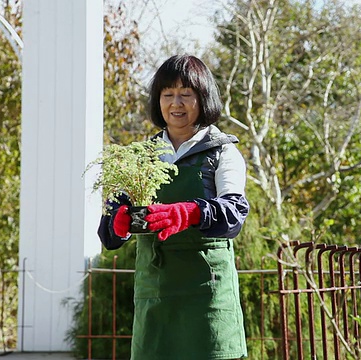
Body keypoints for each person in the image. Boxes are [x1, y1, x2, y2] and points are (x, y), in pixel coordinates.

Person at [97, 54, 250, 360]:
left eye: (186, 94)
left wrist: (190, 212)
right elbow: (108, 235)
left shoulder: (222, 152)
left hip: (207, 294)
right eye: (168, 94)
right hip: (156, 292)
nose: (176, 104)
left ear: (203, 98)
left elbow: (234, 214)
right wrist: (118, 225)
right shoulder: (140, 158)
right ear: (158, 101)